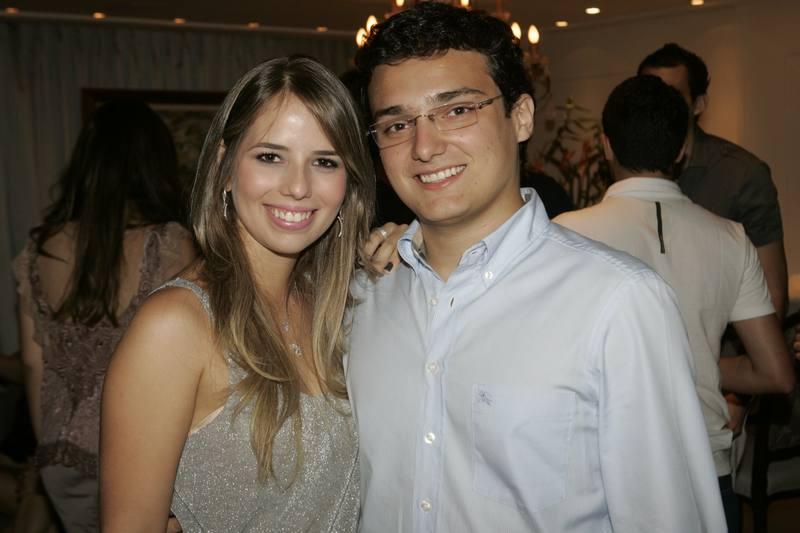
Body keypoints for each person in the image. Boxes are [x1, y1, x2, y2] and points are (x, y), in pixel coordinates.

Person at [346, 3, 726, 531]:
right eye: (396, 124)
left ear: (521, 116)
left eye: (457, 110)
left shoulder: (618, 303)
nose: (424, 147)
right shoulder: (362, 298)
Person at [100, 56, 375, 532]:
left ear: (348, 182)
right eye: (270, 156)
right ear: (224, 167)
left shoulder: (338, 309)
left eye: (324, 161)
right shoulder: (176, 326)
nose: (298, 186)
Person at [555, 74, 795, 532]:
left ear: (606, 146)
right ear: (682, 149)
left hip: (601, 472)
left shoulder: (563, 234)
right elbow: (776, 374)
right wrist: (694, 361)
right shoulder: (731, 238)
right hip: (703, 466)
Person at [11, 99, 194, 533]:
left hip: (60, 457)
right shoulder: (171, 244)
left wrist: (52, 445)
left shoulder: (40, 249)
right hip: (139, 451)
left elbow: (34, 364)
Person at [638, 43, 788, 320]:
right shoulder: (628, 167)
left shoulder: (741, 174)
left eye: (672, 96)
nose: (659, 106)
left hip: (722, 339)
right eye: (649, 94)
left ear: (699, 104)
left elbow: (773, 294)